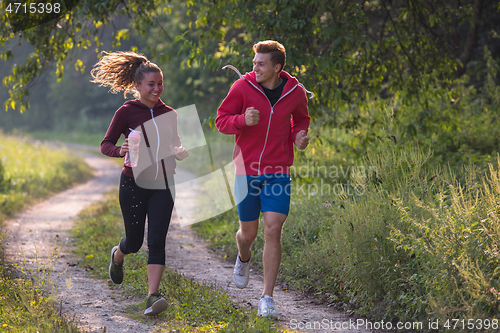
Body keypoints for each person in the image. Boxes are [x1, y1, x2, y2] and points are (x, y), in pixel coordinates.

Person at [216, 40, 312, 317]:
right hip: (246, 170)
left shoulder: (295, 91)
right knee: (249, 234)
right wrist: (242, 121)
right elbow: (221, 120)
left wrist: (299, 136)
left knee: (273, 229)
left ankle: (267, 297)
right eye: (254, 62)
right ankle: (243, 256)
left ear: (277, 67)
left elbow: (301, 120)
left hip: (278, 171)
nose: (254, 67)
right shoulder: (242, 87)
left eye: (261, 64)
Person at [91, 51, 188, 316]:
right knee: (134, 242)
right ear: (137, 86)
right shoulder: (126, 112)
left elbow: (173, 142)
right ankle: (117, 255)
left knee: (157, 240)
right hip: (134, 184)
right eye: (151, 84)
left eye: (160, 84)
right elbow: (105, 144)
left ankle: (152, 296)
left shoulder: (169, 113)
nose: (157, 89)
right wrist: (120, 151)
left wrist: (178, 150)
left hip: (164, 184)